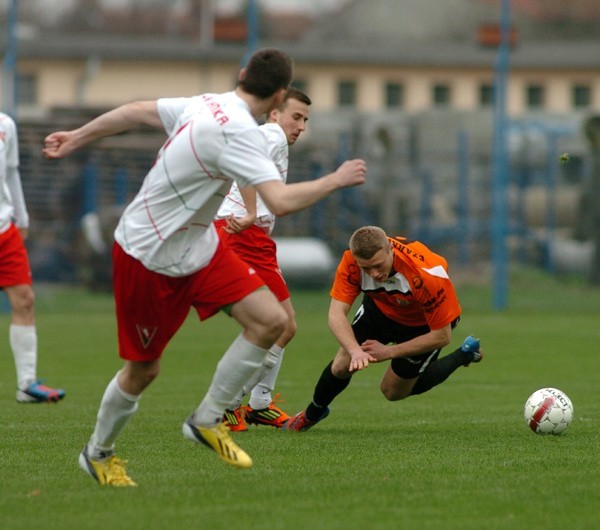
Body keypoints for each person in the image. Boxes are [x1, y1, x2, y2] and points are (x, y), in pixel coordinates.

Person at [43, 48, 366, 487]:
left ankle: (207, 419)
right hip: (147, 254)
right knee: (144, 370)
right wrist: (336, 178)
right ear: (277, 100)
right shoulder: (239, 134)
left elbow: (136, 110)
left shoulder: (204, 102)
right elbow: (282, 202)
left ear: (241, 76)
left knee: (272, 322)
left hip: (200, 244)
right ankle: (97, 453)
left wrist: (78, 136)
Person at [283, 226, 482, 432]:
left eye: (378, 265)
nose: (374, 274)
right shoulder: (351, 261)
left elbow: (441, 336)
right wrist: (355, 350)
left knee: (392, 391)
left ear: (390, 249)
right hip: (380, 311)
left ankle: (464, 355)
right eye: (366, 269)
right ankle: (312, 414)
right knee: (342, 365)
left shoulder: (426, 275)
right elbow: (335, 314)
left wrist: (388, 352)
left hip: (422, 324)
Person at [213, 87, 311, 432]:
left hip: (247, 236)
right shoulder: (272, 135)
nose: (300, 126)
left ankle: (258, 405)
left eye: (305, 120)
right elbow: (245, 164)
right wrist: (252, 211)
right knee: (280, 325)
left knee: (280, 326)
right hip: (244, 236)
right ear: (274, 114)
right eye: (295, 117)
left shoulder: (270, 136)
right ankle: (227, 406)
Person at [0, 111, 65, 403]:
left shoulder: (5, 124)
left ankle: (27, 385)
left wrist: (21, 218)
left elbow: (11, 172)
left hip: (5, 228)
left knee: (24, 299)